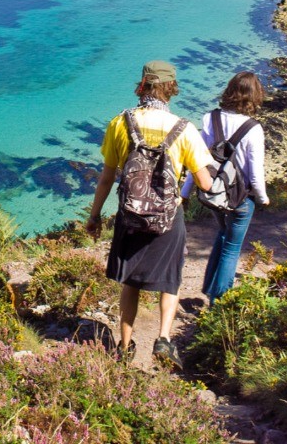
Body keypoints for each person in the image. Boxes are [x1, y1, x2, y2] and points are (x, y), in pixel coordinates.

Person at [86, 60, 214, 369]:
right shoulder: (184, 128)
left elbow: (106, 178)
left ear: (142, 85)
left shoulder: (121, 122)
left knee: (130, 280)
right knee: (170, 280)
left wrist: (93, 217)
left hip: (130, 215)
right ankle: (163, 340)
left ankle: (125, 346)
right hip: (169, 218)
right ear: (171, 88)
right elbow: (205, 182)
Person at [187, 71, 270, 305]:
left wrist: (185, 193)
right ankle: (219, 301)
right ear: (254, 96)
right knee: (232, 247)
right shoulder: (253, 128)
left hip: (215, 193)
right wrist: (263, 198)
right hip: (241, 197)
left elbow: (198, 160)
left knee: (223, 235)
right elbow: (255, 171)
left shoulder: (209, 119)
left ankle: (209, 287)